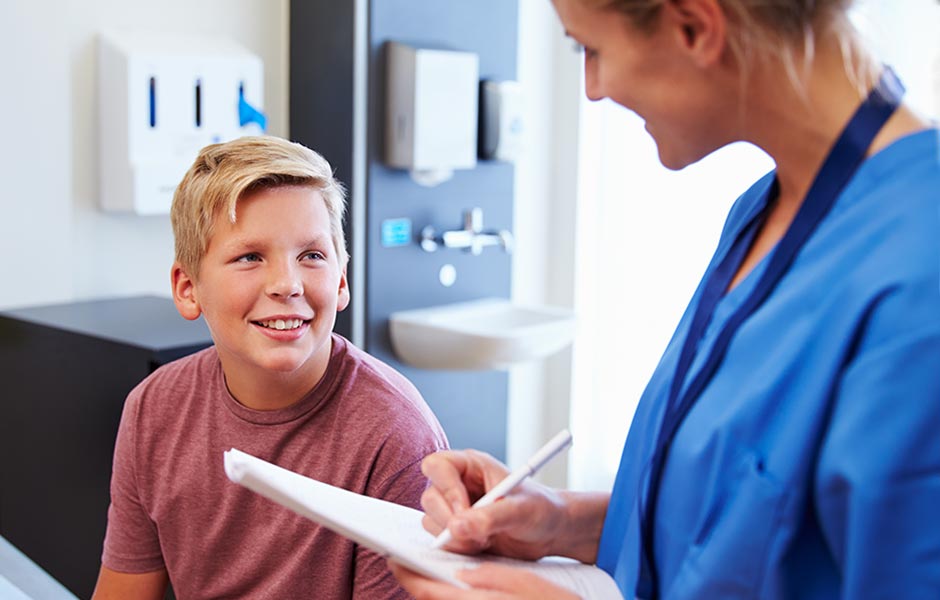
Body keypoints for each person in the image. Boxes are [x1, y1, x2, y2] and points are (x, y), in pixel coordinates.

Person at [390, 0, 940, 598]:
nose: (592, 89)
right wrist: (562, 522)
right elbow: (747, 534)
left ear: (694, 27)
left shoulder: (918, 275)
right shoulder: (762, 211)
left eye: (589, 50)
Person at [92, 136, 448, 599]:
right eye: (249, 257)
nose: (286, 284)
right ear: (187, 288)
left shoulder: (396, 436)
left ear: (340, 279)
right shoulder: (152, 409)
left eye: (312, 256)